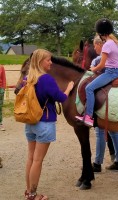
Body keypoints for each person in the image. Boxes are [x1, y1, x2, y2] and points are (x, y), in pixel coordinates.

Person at [23, 49, 74, 200]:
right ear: (40, 62)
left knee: (31, 158)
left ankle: (28, 192)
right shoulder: (46, 79)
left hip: (30, 122)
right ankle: (33, 195)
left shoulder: (28, 78)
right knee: (38, 160)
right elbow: (60, 98)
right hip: (44, 123)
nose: (51, 62)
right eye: (48, 60)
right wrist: (69, 88)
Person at [75, 18, 118, 127]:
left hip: (111, 73)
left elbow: (101, 65)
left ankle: (89, 117)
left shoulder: (107, 44)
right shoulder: (116, 43)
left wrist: (93, 69)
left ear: (101, 33)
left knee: (89, 88)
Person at [90, 35, 118, 172]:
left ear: (100, 44)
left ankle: (97, 163)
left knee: (99, 131)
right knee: (114, 131)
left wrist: (94, 69)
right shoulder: (116, 45)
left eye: (95, 45)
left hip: (106, 96)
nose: (95, 48)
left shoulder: (103, 53)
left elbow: (99, 66)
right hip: (116, 87)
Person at [0, 65, 6, 131]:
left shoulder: (1, 67)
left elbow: (3, 78)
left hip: (0, 89)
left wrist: (3, 89)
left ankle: (0, 123)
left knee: (0, 106)